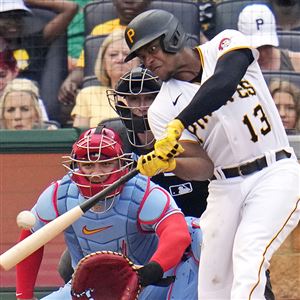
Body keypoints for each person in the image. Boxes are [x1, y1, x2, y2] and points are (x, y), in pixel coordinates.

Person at [123, 9, 300, 299]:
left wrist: (180, 123)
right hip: (224, 186)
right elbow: (203, 167)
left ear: (173, 37)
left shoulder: (225, 44)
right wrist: (172, 162)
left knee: (249, 255)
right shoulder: (161, 108)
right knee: (213, 287)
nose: (148, 61)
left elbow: (223, 83)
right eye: (141, 56)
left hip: (274, 171)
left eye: (152, 49)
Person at [16, 125, 202, 300]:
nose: (96, 173)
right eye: (88, 165)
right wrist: (24, 295)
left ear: (120, 163)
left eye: (105, 164)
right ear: (76, 165)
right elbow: (30, 238)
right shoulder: (60, 193)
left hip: (147, 284)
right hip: (88, 288)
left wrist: (151, 271)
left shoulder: (141, 191)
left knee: (195, 229)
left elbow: (177, 233)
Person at [107, 66, 210, 217]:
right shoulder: (114, 138)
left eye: (150, 97)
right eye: (134, 99)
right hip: (144, 227)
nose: (142, 106)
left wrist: (174, 165)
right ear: (125, 102)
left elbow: (208, 171)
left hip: (196, 219)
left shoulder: (187, 130)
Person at [58, 0, 151, 105]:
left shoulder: (154, 30)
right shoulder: (100, 30)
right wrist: (71, 81)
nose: (129, 1)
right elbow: (83, 67)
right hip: (104, 94)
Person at [71, 29, 139, 128]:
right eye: (113, 55)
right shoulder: (88, 95)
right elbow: (80, 140)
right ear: (103, 63)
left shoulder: (152, 94)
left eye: (126, 54)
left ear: (139, 61)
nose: (120, 59)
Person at [0, 0, 78, 83]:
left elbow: (71, 8)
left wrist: (26, 1)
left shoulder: (33, 42)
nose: (13, 22)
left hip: (29, 93)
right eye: (5, 17)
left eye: (17, 16)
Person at [237, 4, 300, 72]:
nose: (262, 54)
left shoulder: (297, 62)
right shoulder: (234, 69)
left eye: (266, 46)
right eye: (256, 48)